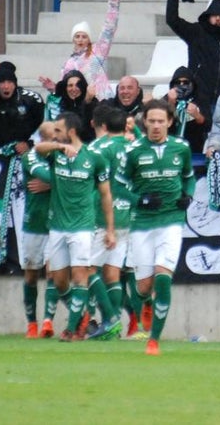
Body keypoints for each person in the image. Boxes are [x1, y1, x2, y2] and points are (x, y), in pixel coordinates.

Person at [36, 112, 116, 342]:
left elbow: (105, 194)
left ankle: (71, 330)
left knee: (80, 275)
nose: (55, 135)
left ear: (71, 132)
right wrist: (58, 148)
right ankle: (80, 316)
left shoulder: (94, 158)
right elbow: (37, 150)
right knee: (59, 280)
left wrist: (110, 229)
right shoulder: (55, 153)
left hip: (82, 226)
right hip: (58, 226)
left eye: (59, 131)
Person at [124, 100, 195, 356]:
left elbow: (189, 178)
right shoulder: (133, 151)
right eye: (151, 121)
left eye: (160, 121)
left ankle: (153, 340)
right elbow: (119, 184)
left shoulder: (181, 148)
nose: (155, 126)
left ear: (169, 122)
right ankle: (144, 303)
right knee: (143, 287)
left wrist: (188, 195)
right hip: (142, 224)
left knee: (163, 277)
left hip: (171, 221)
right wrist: (139, 200)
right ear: (144, 122)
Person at [83, 104, 132, 341]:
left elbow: (88, 181)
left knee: (87, 269)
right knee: (112, 273)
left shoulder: (97, 148)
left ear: (102, 125)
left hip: (102, 217)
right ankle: (111, 328)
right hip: (127, 216)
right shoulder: (135, 146)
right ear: (125, 125)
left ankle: (111, 319)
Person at [19, 122, 57, 339]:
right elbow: (48, 176)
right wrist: (57, 182)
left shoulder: (62, 156)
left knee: (53, 272)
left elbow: (79, 178)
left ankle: (47, 322)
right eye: (53, 138)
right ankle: (31, 323)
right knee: (32, 275)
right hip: (34, 222)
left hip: (57, 222)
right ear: (42, 140)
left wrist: (52, 185)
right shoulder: (31, 157)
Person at [0, 61, 45, 154]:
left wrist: (30, 143)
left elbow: (43, 125)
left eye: (9, 82)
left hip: (27, 152)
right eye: (2, 82)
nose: (6, 86)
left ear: (15, 84)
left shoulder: (31, 99)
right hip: (0, 151)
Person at [164, 67, 210, 155]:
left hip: (194, 148)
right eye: (178, 82)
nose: (181, 85)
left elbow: (208, 126)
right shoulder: (167, 98)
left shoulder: (200, 99)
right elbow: (163, 124)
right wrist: (171, 104)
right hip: (170, 148)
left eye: (185, 82)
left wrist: (197, 116)